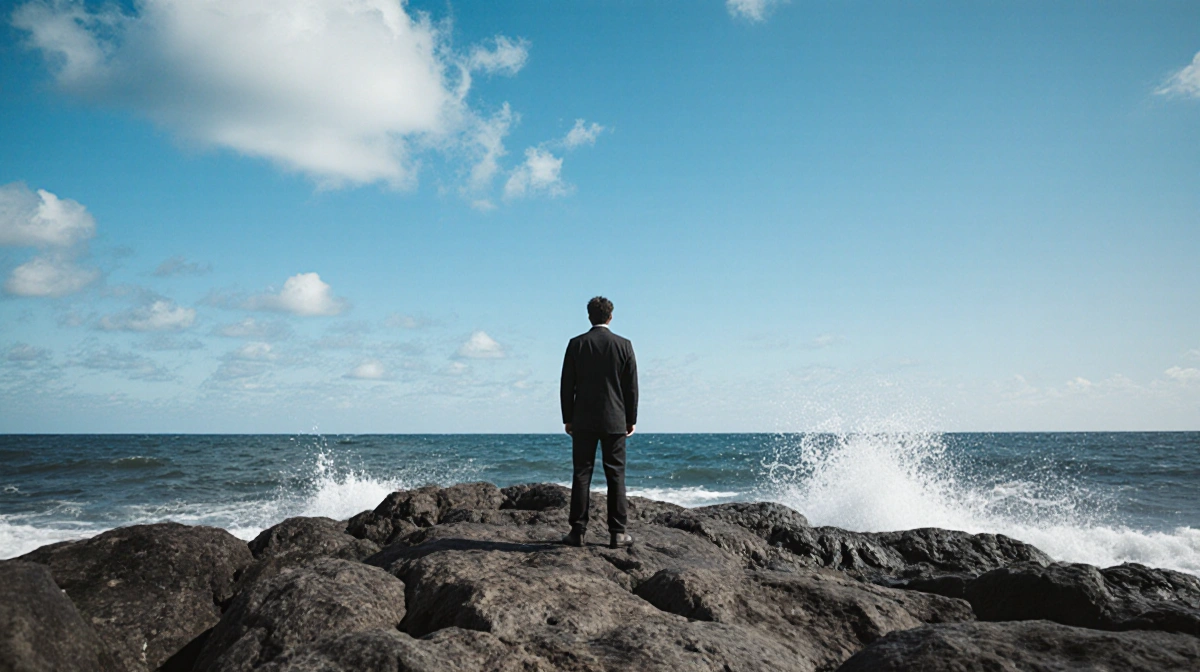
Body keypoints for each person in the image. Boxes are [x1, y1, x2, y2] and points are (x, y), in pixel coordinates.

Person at [560, 296, 638, 549]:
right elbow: (631, 388)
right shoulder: (624, 345)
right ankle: (617, 533)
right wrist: (631, 419)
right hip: (615, 419)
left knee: (582, 474)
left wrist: (568, 418)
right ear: (610, 316)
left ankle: (578, 531)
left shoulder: (576, 344)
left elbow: (566, 385)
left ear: (589, 316)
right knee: (616, 475)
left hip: (582, 419)